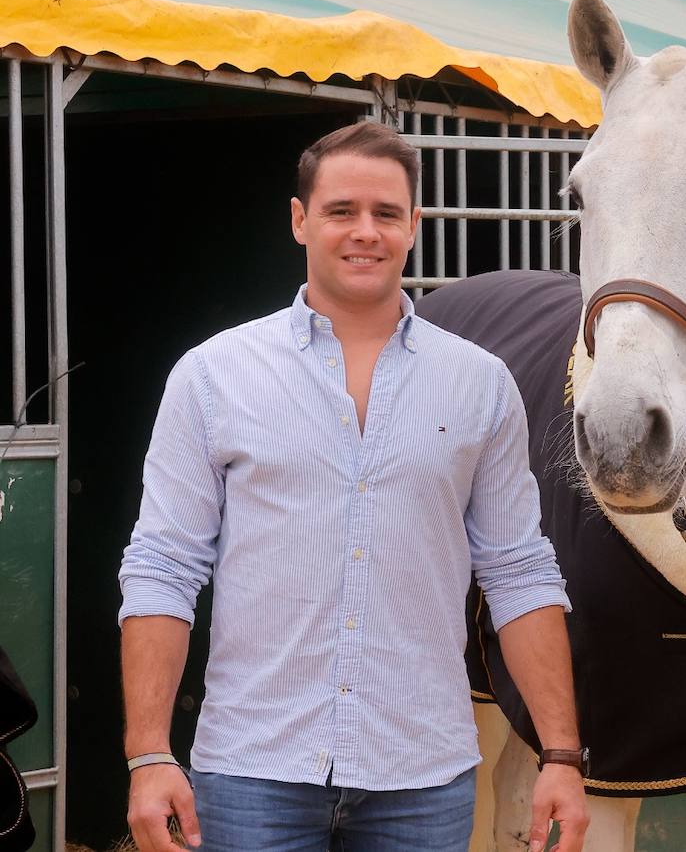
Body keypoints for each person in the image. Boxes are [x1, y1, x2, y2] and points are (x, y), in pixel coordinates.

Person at [118, 121, 588, 852]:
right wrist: (148, 754)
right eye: (341, 210)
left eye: (385, 213)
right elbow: (162, 568)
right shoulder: (213, 375)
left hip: (422, 776)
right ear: (300, 219)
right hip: (252, 771)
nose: (364, 231)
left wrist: (560, 754)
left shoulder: (480, 384)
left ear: (414, 228)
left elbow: (519, 572)